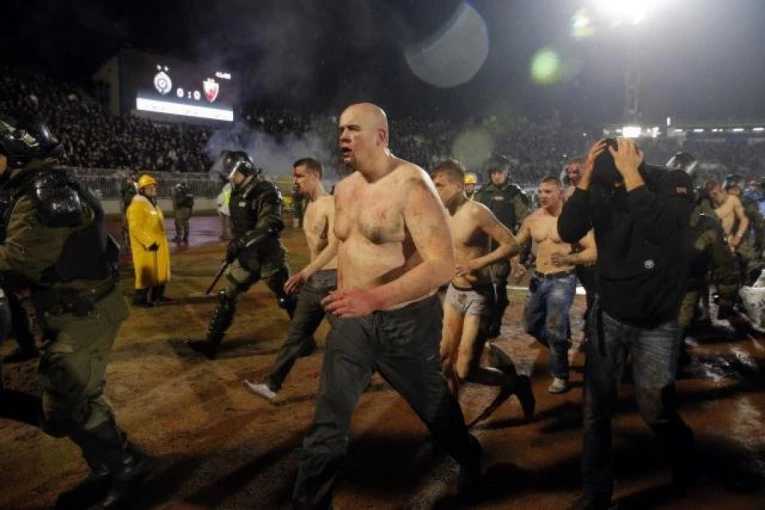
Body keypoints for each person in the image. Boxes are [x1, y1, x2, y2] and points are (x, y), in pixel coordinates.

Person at [293, 104, 482, 509]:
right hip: (353, 324)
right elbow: (344, 245)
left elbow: (441, 264)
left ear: (380, 136)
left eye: (353, 129)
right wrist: (339, 291)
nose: (343, 136)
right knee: (327, 424)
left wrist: (373, 297)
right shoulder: (345, 189)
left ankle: (469, 456)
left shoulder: (412, 184)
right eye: (341, 129)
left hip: (405, 323)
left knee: (436, 411)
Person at [0, 116, 148, 507]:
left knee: (69, 402)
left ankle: (127, 464)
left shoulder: (45, 193)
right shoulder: (39, 186)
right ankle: (103, 465)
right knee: (68, 397)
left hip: (84, 313)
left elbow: (18, 262)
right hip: (73, 310)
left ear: (16, 155)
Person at [558, 138, 696, 510]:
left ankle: (684, 455)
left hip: (657, 319)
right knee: (595, 411)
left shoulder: (673, 181)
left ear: (636, 156)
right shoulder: (600, 187)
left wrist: (632, 176)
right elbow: (568, 230)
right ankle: (596, 492)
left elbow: (663, 230)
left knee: (655, 408)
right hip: (610, 314)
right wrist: (586, 179)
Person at [431, 158, 534, 424]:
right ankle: (454, 424)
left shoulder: (477, 212)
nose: (435, 190)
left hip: (479, 295)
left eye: (440, 185)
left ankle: (514, 383)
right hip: (454, 293)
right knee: (444, 362)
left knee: (466, 370)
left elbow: (511, 245)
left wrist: (476, 263)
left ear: (457, 186)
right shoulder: (441, 213)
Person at [187, 151, 296, 360]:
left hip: (269, 257)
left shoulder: (266, 191)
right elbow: (238, 225)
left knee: (286, 298)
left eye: (235, 174)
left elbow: (271, 223)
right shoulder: (236, 193)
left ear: (246, 170)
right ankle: (211, 344)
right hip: (246, 258)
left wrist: (242, 241)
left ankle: (305, 339)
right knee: (226, 297)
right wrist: (236, 243)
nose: (231, 178)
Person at [244, 157, 336, 401]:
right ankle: (271, 385)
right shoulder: (309, 206)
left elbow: (336, 246)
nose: (295, 181)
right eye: (294, 176)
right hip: (315, 281)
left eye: (300, 176)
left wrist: (305, 272)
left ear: (315, 176)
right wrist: (309, 274)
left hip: (333, 281)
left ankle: (372, 374)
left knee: (351, 338)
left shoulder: (331, 204)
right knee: (295, 336)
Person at [513, 176, 596, 394]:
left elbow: (594, 250)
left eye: (548, 192)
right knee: (531, 325)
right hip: (538, 279)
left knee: (554, 328)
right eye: (540, 191)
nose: (542, 195)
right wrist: (516, 262)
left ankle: (560, 374)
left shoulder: (572, 220)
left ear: (560, 193)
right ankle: (560, 343)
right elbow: (515, 244)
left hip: (562, 279)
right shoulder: (534, 219)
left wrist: (570, 258)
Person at [474, 155, 530, 337]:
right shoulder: (481, 194)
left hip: (503, 250)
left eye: (500, 172)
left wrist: (518, 252)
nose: (497, 176)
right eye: (494, 173)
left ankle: (494, 322)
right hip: (483, 250)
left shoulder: (515, 194)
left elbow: (525, 223)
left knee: (497, 285)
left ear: (507, 173)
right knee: (483, 287)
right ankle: (487, 319)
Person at [126, 174, 171, 307]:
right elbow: (135, 228)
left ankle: (157, 295)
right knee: (145, 273)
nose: (153, 190)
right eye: (149, 188)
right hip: (146, 247)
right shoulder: (137, 205)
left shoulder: (152, 204)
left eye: (153, 188)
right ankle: (139, 300)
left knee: (159, 271)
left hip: (158, 244)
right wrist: (148, 242)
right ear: (142, 190)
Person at [119, 172, 138, 252]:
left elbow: (130, 197)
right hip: (126, 209)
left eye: (130, 179)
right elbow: (123, 197)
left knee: (130, 228)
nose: (129, 180)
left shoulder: (134, 187)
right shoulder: (125, 187)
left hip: (132, 209)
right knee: (125, 227)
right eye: (128, 179)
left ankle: (130, 244)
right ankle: (126, 245)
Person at [216, 176, 233, 240]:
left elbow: (223, 197)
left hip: (224, 207)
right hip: (229, 206)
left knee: (224, 222)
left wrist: (219, 204)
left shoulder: (226, 187)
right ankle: (229, 235)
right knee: (230, 222)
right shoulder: (231, 186)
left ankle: (225, 234)